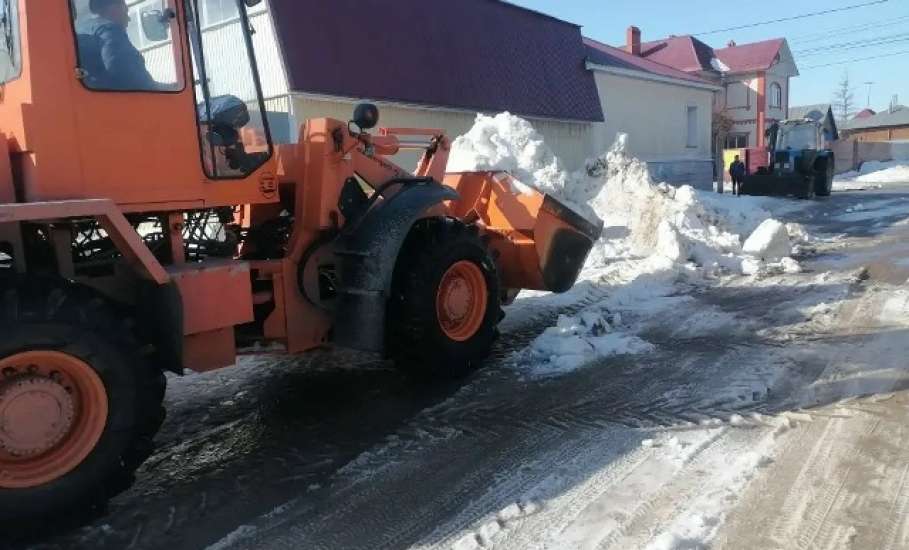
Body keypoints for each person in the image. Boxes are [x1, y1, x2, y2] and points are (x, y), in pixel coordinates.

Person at [76, 0, 161, 91]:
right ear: (114, 9)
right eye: (125, 12)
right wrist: (160, 89)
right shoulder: (110, 31)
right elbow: (122, 72)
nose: (129, 19)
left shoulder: (81, 31)